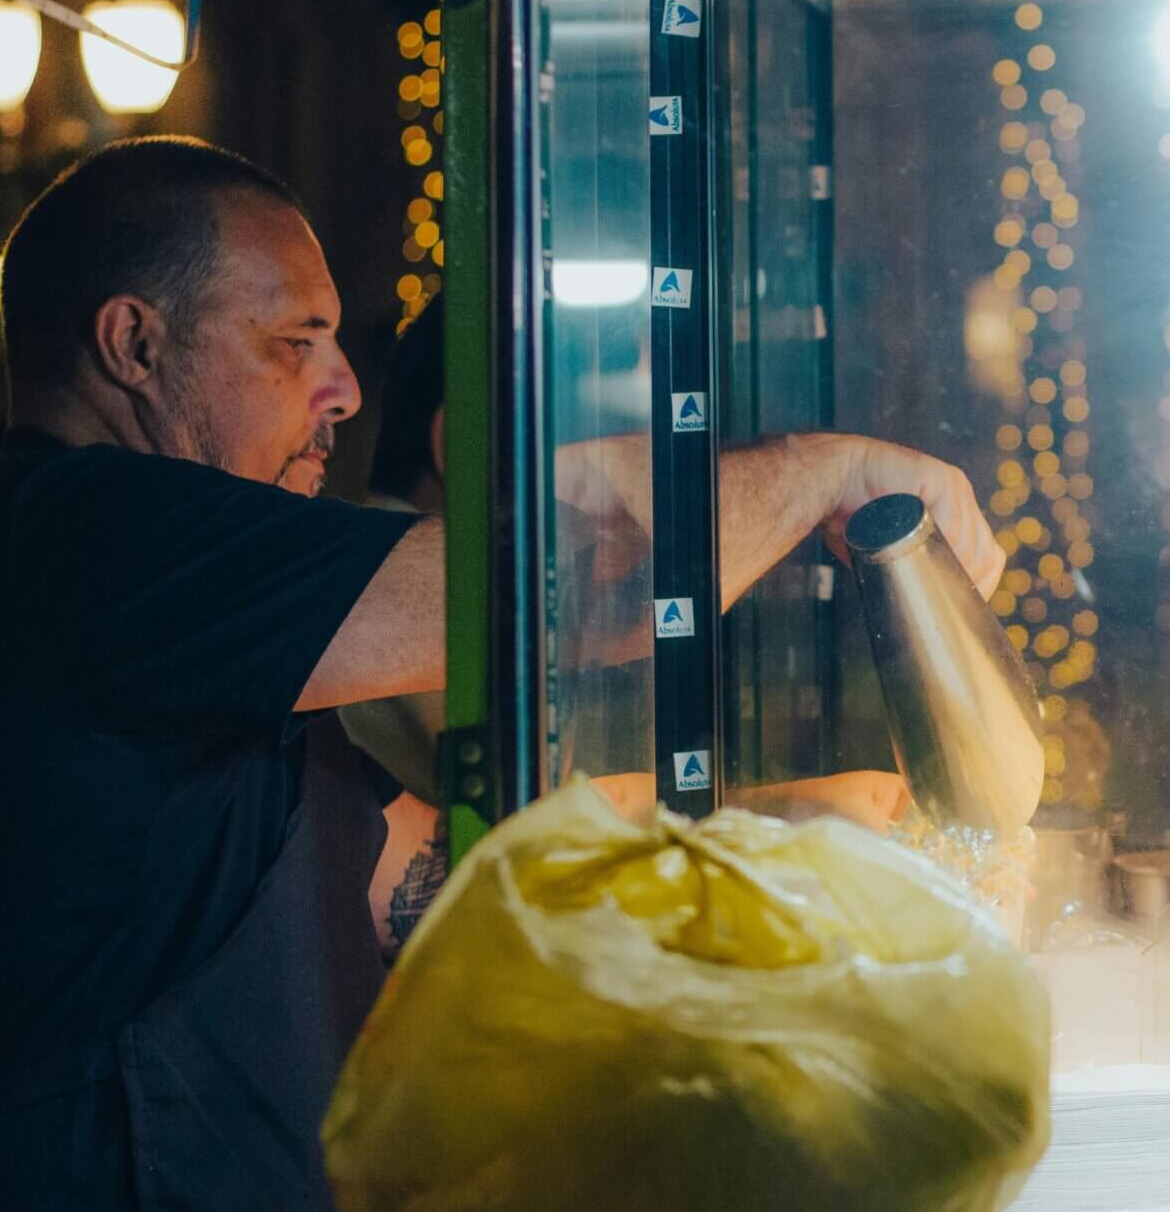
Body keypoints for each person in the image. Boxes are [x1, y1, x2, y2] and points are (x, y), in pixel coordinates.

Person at [0, 137, 1000, 1212]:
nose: (345, 390)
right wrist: (830, 474)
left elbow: (445, 883)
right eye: (293, 343)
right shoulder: (65, 541)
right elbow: (542, 601)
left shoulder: (164, 620)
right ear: (133, 343)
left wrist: (807, 839)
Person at [350, 297, 911, 961]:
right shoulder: (397, 593)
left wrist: (784, 811)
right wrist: (774, 815)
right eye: (619, 467)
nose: (645, 515)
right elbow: (530, 836)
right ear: (465, 440)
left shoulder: (454, 585)